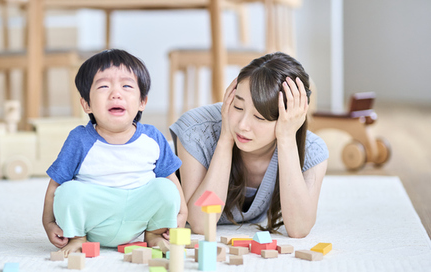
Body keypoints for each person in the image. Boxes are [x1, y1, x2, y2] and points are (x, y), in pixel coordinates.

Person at [42, 49, 187, 256]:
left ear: (142, 102)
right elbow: (55, 184)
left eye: (127, 86)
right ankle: (78, 238)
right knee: (68, 191)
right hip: (94, 217)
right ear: (87, 104)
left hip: (138, 212)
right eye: (103, 86)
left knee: (165, 187)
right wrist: (48, 222)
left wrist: (182, 213)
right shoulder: (80, 139)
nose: (115, 93)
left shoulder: (152, 137)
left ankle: (153, 234)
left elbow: (171, 178)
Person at [170, 52, 328, 238]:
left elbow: (299, 229)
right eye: (238, 107)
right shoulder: (195, 129)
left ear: (292, 116)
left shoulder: (312, 150)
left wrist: (286, 139)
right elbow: (200, 223)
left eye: (259, 117)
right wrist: (225, 140)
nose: (242, 125)